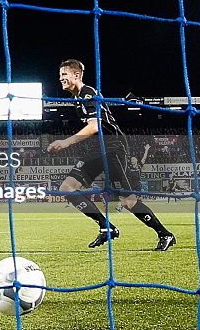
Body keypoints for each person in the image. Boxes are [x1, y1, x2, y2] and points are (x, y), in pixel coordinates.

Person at [48, 60, 176, 251]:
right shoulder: (79, 99)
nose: (60, 79)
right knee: (67, 188)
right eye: (59, 75)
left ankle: (165, 234)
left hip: (112, 148)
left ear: (76, 75)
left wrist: (66, 142)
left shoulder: (88, 93)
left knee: (127, 201)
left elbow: (94, 126)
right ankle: (106, 226)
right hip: (97, 149)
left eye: (64, 74)